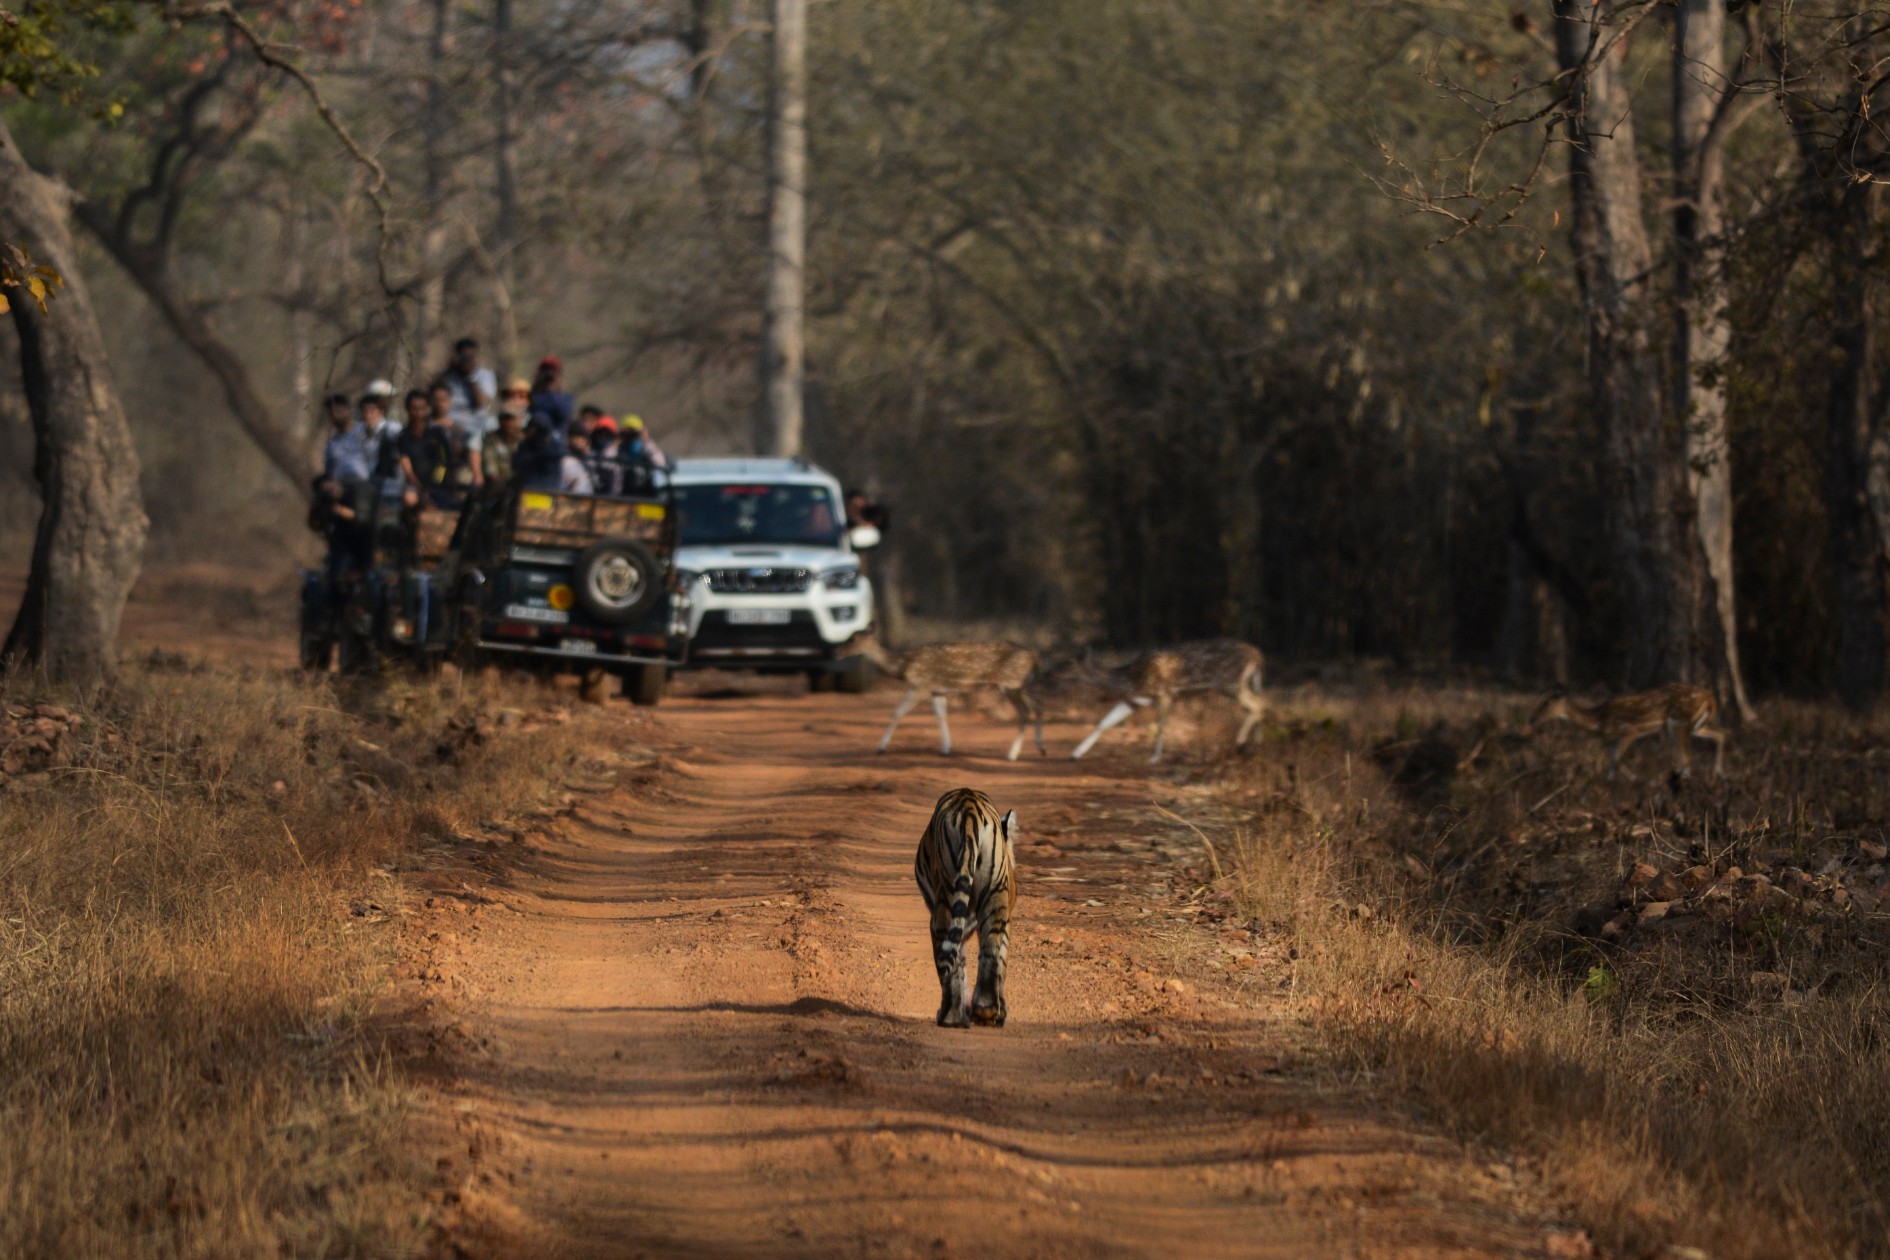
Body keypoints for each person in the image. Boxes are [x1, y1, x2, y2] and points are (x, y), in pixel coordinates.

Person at [398, 388, 474, 509]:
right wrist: (421, 490)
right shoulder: (403, 437)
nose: (418, 413)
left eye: (422, 408)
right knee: (410, 498)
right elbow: (407, 470)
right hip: (416, 486)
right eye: (414, 408)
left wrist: (437, 484)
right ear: (407, 409)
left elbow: (444, 461)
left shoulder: (437, 433)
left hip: (440, 483)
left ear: (427, 408)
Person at [439, 337, 496, 439]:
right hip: (450, 425)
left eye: (470, 356)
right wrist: (448, 369)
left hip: (475, 425)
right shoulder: (449, 376)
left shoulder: (485, 375)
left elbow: (482, 402)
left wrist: (469, 377)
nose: (466, 360)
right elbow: (432, 394)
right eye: (463, 356)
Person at [320, 392, 376, 483]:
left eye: (339, 411)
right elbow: (329, 469)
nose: (336, 416)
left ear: (348, 410)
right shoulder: (332, 443)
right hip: (341, 487)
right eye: (332, 413)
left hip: (364, 485)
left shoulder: (363, 431)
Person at [529, 356, 575, 434]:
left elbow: (563, 413)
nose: (549, 374)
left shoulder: (565, 398)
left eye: (552, 371)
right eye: (545, 370)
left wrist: (551, 390)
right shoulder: (531, 395)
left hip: (555, 440)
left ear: (559, 375)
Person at [482, 404, 526, 485]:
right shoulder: (492, 439)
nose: (509, 423)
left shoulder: (525, 440)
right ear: (499, 420)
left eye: (513, 419)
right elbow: (490, 464)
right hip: (499, 483)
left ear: (520, 420)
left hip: (523, 484)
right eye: (505, 419)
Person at [559, 426, 596, 495]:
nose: (579, 441)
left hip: (587, 500)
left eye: (583, 438)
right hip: (569, 499)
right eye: (576, 437)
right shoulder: (566, 460)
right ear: (570, 439)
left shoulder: (591, 459)